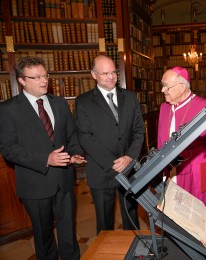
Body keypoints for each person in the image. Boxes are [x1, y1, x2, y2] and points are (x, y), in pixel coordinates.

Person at [0, 56, 86, 259]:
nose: (43, 80)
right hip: (34, 184)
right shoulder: (7, 110)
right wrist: (46, 159)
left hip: (64, 180)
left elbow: (71, 135)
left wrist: (75, 153)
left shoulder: (60, 103)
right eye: (36, 77)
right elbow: (9, 150)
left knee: (68, 231)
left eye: (45, 75)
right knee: (44, 235)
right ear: (22, 80)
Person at [75, 54, 145, 234]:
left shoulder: (130, 97)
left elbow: (138, 130)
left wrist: (129, 157)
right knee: (104, 225)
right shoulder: (83, 102)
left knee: (131, 219)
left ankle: (135, 249)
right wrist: (114, 163)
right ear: (94, 74)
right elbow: (85, 137)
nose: (111, 77)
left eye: (113, 72)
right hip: (101, 171)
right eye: (105, 73)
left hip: (129, 169)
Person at [157, 66, 206, 206]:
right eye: (162, 86)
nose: (162, 90)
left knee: (198, 211)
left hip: (198, 169)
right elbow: (160, 141)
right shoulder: (164, 108)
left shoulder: (204, 107)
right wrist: (160, 170)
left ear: (181, 87)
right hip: (171, 169)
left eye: (166, 86)